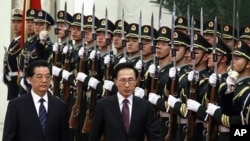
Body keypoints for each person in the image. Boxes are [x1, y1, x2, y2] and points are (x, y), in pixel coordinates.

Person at [89, 63, 161, 141]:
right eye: (122, 80)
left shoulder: (145, 106)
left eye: (130, 80)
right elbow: (94, 136)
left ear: (136, 81)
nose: (127, 85)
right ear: (115, 81)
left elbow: (154, 137)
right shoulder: (103, 105)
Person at [2, 60, 69, 141]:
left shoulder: (60, 106)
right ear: (30, 79)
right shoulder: (16, 106)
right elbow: (8, 137)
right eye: (39, 76)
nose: (44, 80)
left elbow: (65, 137)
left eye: (47, 76)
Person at [3, 8, 23, 100]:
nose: (15, 24)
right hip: (12, 83)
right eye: (13, 22)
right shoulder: (14, 42)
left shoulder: (22, 42)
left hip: (18, 83)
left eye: (18, 22)